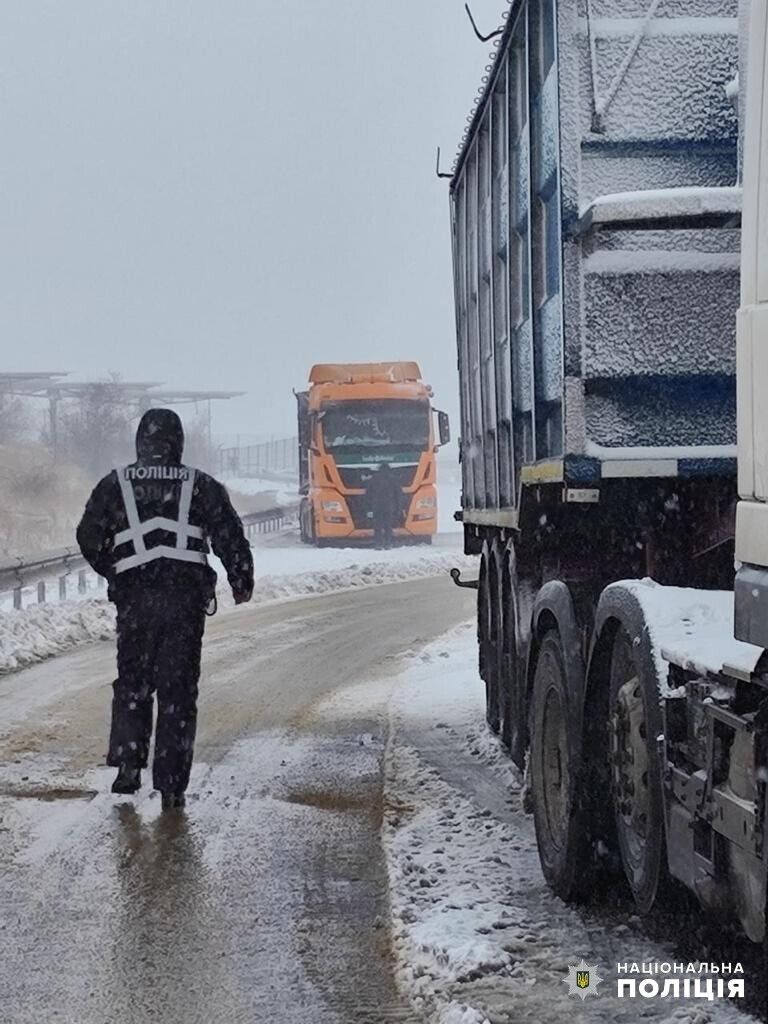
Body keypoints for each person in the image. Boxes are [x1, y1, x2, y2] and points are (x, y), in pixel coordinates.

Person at [76, 408, 254, 810]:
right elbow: (229, 534)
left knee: (133, 683)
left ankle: (128, 767)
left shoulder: (115, 484)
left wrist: (115, 572)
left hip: (135, 603)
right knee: (177, 690)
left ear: (141, 442)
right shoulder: (201, 485)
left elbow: (88, 536)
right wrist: (240, 578)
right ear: (177, 443)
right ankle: (172, 784)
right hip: (184, 604)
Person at [368, 462, 402, 549]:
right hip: (389, 506)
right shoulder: (393, 479)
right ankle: (388, 543)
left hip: (376, 506)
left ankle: (378, 544)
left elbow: (368, 494)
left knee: (377, 526)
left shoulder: (374, 479)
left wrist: (368, 507)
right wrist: (398, 508)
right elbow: (398, 495)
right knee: (388, 525)